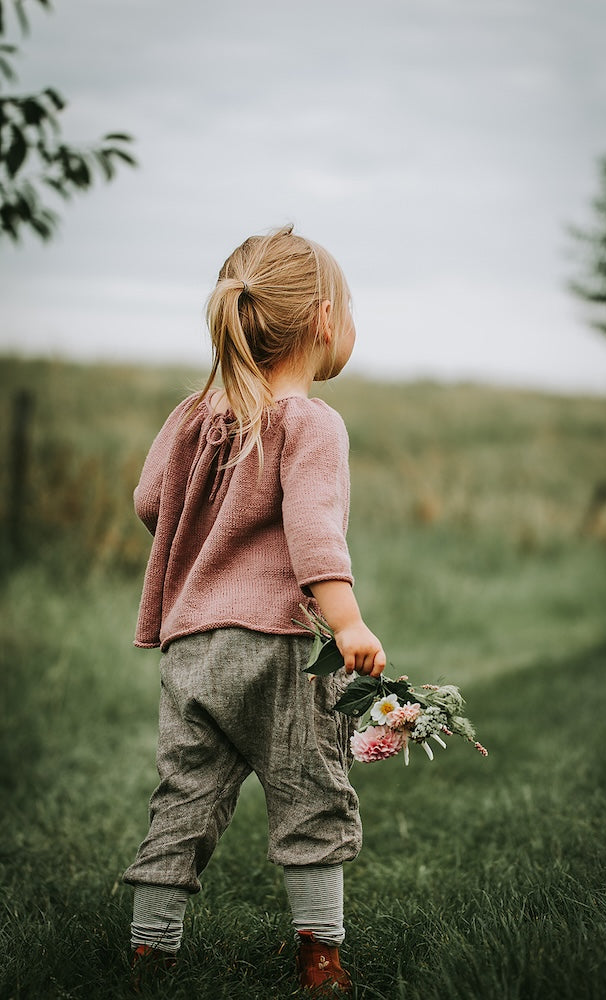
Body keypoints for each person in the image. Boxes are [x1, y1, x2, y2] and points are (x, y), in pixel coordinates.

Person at [123, 225, 386, 993]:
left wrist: (206, 545)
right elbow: (312, 535)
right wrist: (347, 623)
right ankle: (321, 961)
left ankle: (147, 955)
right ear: (326, 322)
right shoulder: (309, 421)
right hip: (276, 646)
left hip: (191, 649)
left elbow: (149, 503)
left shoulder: (192, 415)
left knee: (183, 801)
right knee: (310, 793)